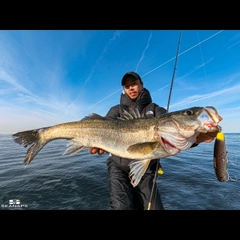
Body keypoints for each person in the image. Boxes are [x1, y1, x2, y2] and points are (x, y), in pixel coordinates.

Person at [89, 71, 217, 210]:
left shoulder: (156, 109)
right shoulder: (116, 110)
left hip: (147, 169)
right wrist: (98, 142)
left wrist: (196, 139)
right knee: (121, 207)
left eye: (134, 84)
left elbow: (174, 135)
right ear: (124, 90)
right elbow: (103, 128)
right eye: (127, 86)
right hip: (118, 166)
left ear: (141, 85)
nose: (131, 88)